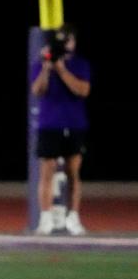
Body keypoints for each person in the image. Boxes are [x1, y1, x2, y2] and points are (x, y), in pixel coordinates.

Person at [30, 25, 91, 235]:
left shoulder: (79, 64)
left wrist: (62, 70)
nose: (66, 46)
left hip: (74, 124)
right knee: (46, 172)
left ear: (73, 43)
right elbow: (37, 90)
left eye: (68, 41)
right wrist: (48, 69)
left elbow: (82, 90)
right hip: (49, 124)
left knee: (73, 173)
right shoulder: (42, 64)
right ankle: (45, 219)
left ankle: (73, 218)